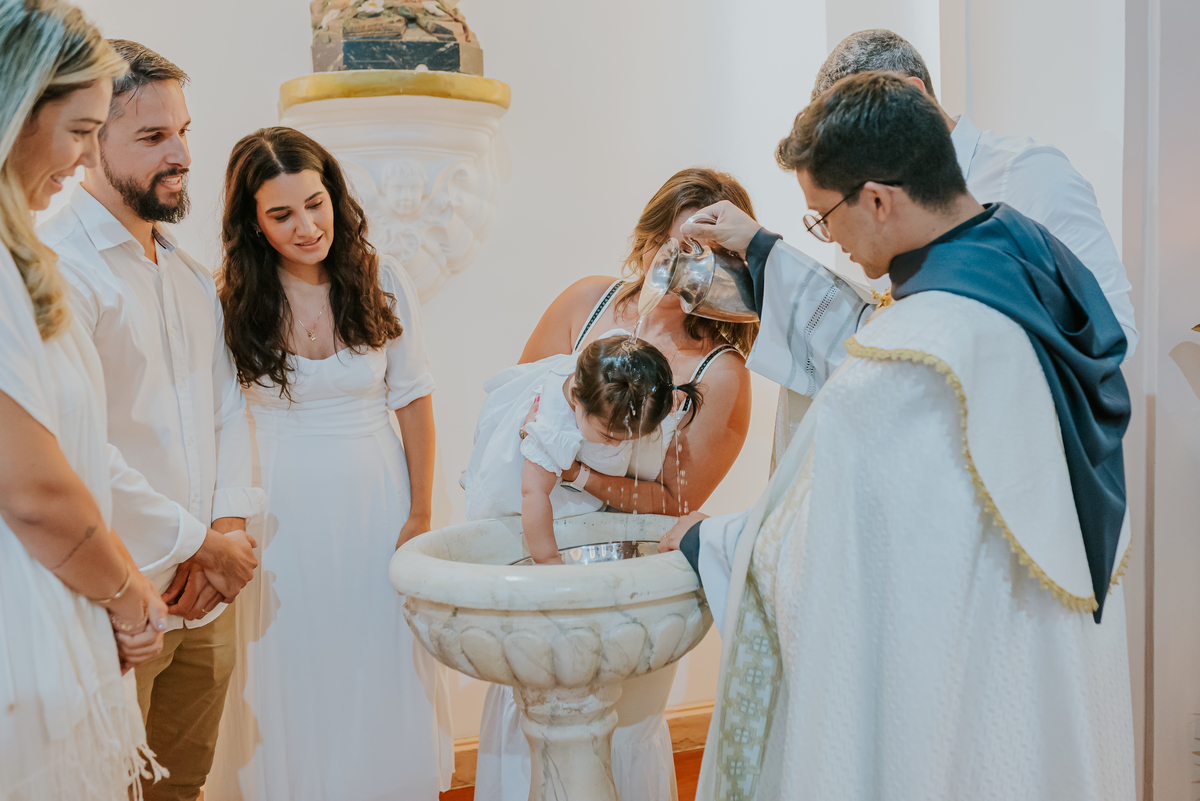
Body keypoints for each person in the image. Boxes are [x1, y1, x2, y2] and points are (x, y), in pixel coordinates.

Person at [667, 71, 1135, 801]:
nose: (832, 241)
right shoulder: (1032, 269)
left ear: (879, 199)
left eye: (823, 218)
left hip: (963, 707)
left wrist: (711, 543)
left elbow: (819, 563)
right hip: (1040, 674)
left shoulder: (906, 369)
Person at [686, 29, 1138, 456]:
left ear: (912, 97)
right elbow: (883, 326)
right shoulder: (898, 207)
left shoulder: (1028, 176)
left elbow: (1109, 332)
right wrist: (760, 248)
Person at [474, 167, 754, 801]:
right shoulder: (585, 303)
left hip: (624, 574)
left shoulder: (721, 374)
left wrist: (577, 473)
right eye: (678, 245)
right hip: (532, 549)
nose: (691, 265)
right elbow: (518, 413)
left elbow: (673, 503)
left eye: (713, 252)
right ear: (650, 238)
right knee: (528, 712)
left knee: (616, 733)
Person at [38, 40, 263, 801]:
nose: (182, 155)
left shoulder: (189, 273)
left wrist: (224, 538)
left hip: (204, 599)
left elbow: (226, 405)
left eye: (184, 131)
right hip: (116, 598)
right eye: (153, 138)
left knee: (181, 788)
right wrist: (197, 544)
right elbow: (77, 446)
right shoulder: (60, 271)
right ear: (92, 141)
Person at [206, 126, 451, 801]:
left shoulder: (382, 279)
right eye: (281, 215)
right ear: (252, 223)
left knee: (378, 653)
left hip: (376, 498)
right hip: (282, 508)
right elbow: (219, 419)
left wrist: (422, 513)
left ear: (334, 194)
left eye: (316, 203)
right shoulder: (232, 300)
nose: (307, 226)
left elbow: (414, 400)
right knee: (292, 663)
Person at [0, 2, 170, 797]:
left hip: (54, 597)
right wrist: (127, 592)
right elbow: (30, 486)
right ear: (16, 105)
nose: (82, 158)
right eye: (77, 130)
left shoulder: (16, 251)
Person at [464, 335, 704, 564]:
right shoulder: (551, 431)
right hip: (521, 501)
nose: (617, 444)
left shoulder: (608, 362)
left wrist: (662, 399)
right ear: (575, 397)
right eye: (608, 436)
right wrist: (547, 558)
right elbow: (534, 497)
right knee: (532, 509)